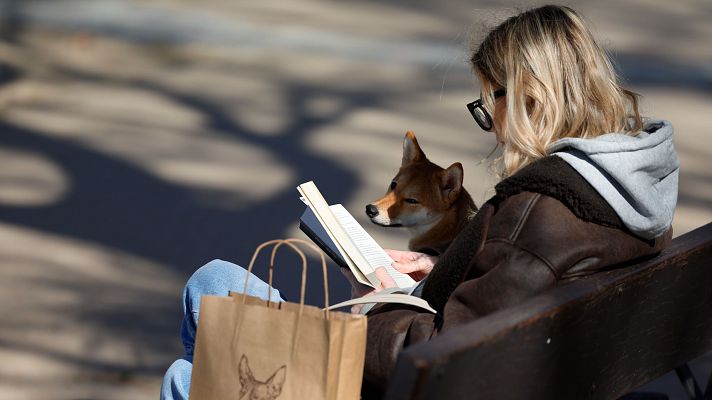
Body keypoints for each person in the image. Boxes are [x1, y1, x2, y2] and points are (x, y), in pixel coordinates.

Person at [161, 5, 678, 399]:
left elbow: (443, 355)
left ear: (528, 98)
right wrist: (440, 266)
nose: (493, 127)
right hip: (519, 365)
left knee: (191, 362)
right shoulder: (632, 182)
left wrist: (379, 301)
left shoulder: (539, 212)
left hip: (396, 375)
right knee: (213, 285)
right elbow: (515, 284)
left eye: (488, 105)